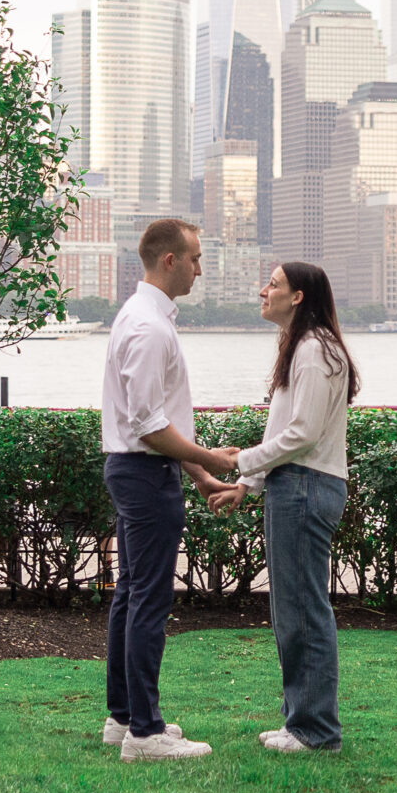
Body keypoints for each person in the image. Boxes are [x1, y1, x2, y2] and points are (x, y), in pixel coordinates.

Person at [99, 217, 243, 761]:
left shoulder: (142, 319)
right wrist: (209, 457)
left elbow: (153, 422)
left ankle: (124, 718)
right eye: (196, 259)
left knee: (131, 596)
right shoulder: (148, 327)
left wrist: (201, 476)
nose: (200, 269)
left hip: (141, 470)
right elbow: (147, 426)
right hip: (142, 474)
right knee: (148, 603)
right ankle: (144, 733)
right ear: (169, 261)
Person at [223, 259, 355, 754]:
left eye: (273, 284)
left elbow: (303, 433)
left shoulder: (316, 349)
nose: (263, 290)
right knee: (291, 611)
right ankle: (300, 719)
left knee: (303, 611)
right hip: (293, 484)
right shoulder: (301, 347)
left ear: (298, 296)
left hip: (304, 486)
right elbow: (286, 428)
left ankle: (315, 730)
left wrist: (245, 461)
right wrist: (250, 481)